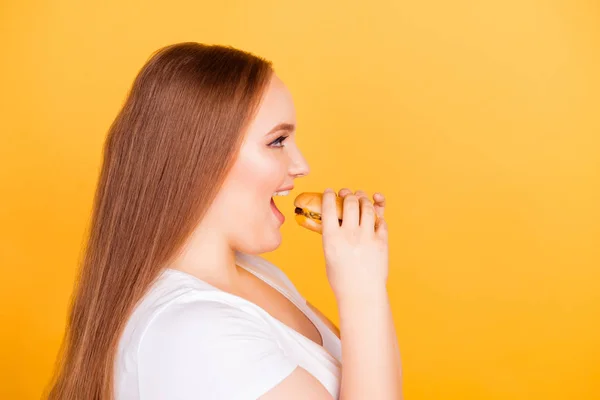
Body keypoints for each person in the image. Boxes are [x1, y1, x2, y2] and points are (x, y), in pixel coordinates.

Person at [45, 42, 402, 400]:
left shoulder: (259, 275)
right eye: (277, 141)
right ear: (200, 160)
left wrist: (366, 287)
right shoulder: (193, 332)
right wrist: (364, 293)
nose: (301, 165)